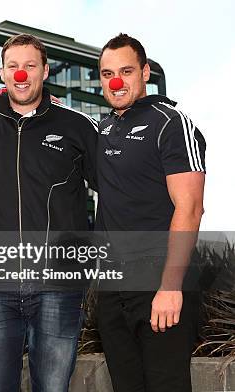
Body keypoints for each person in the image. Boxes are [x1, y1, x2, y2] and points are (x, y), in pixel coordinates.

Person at [0, 34, 98, 392]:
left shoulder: (77, 126)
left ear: (44, 72)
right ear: (2, 73)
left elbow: (114, 190)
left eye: (30, 65)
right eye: (13, 66)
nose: (21, 74)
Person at [95, 33, 206, 392]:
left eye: (126, 71)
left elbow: (190, 208)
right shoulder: (104, 128)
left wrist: (171, 286)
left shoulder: (171, 123)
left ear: (145, 72)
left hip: (160, 283)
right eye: (107, 72)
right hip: (113, 289)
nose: (116, 81)